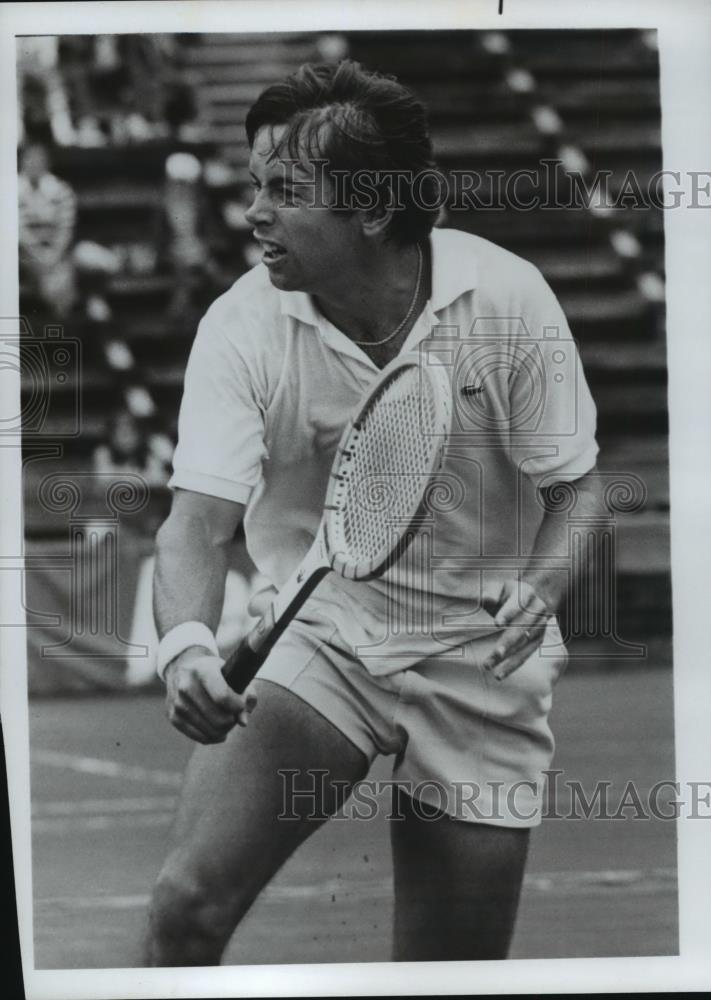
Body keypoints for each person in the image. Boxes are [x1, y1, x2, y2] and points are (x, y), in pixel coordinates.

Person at [143, 60, 606, 965]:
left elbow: (576, 489)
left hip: (480, 659)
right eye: (253, 185)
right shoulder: (240, 329)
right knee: (184, 906)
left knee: (447, 975)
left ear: (371, 207)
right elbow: (197, 523)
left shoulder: (507, 300)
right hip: (324, 636)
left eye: (284, 190)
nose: (253, 213)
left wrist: (543, 588)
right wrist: (186, 646)